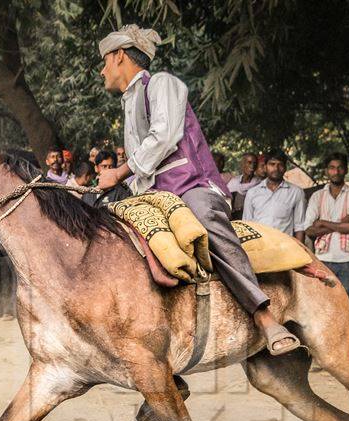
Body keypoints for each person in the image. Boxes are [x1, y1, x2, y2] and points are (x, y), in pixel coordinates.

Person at [96, 25, 300, 354]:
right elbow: (142, 171)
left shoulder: (162, 83)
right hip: (157, 198)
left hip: (193, 188)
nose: (102, 70)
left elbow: (163, 136)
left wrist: (118, 172)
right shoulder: (129, 104)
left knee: (204, 219)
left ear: (120, 56)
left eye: (104, 61)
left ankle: (265, 318)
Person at [301, 153, 349, 297]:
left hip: (348, 259)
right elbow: (309, 230)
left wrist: (322, 222)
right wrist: (343, 223)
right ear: (326, 171)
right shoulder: (317, 196)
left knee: (345, 303)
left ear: (346, 170)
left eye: (340, 168)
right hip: (323, 259)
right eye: (332, 168)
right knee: (323, 302)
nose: (336, 172)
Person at [241, 150, 307, 240]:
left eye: (280, 165)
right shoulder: (252, 193)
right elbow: (246, 225)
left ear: (285, 168)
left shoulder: (296, 192)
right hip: (259, 248)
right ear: (265, 167)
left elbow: (299, 227)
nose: (276, 168)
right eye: (272, 164)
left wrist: (300, 253)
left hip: (285, 248)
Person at [226, 152, 259, 219]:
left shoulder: (259, 183)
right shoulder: (234, 181)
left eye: (254, 163)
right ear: (242, 164)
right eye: (249, 163)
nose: (252, 166)